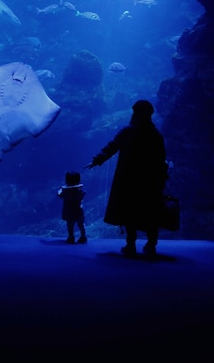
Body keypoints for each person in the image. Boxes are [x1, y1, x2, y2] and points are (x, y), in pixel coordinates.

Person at [85, 100, 168, 258]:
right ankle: (151, 244)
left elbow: (112, 146)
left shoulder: (128, 132)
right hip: (150, 181)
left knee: (130, 211)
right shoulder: (155, 135)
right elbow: (161, 158)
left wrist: (97, 160)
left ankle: (131, 244)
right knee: (150, 211)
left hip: (129, 179)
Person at [57, 171, 87, 244]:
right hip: (79, 211)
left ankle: (71, 237)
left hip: (69, 211)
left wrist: (60, 189)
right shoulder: (80, 191)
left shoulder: (65, 192)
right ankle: (83, 236)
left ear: (67, 180)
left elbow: (59, 195)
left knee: (70, 225)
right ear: (78, 180)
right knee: (81, 224)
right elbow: (84, 194)